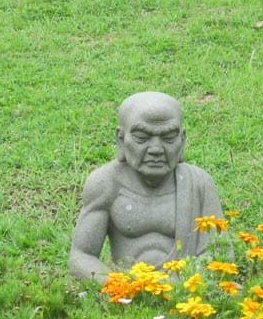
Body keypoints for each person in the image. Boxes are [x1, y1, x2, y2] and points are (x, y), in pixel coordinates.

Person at [69, 92, 225, 282]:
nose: (156, 149)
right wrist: (118, 287)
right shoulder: (105, 183)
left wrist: (178, 285)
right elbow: (81, 256)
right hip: (126, 291)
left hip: (186, 290)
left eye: (169, 137)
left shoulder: (199, 183)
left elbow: (221, 255)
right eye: (142, 137)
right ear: (121, 139)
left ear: (182, 139)